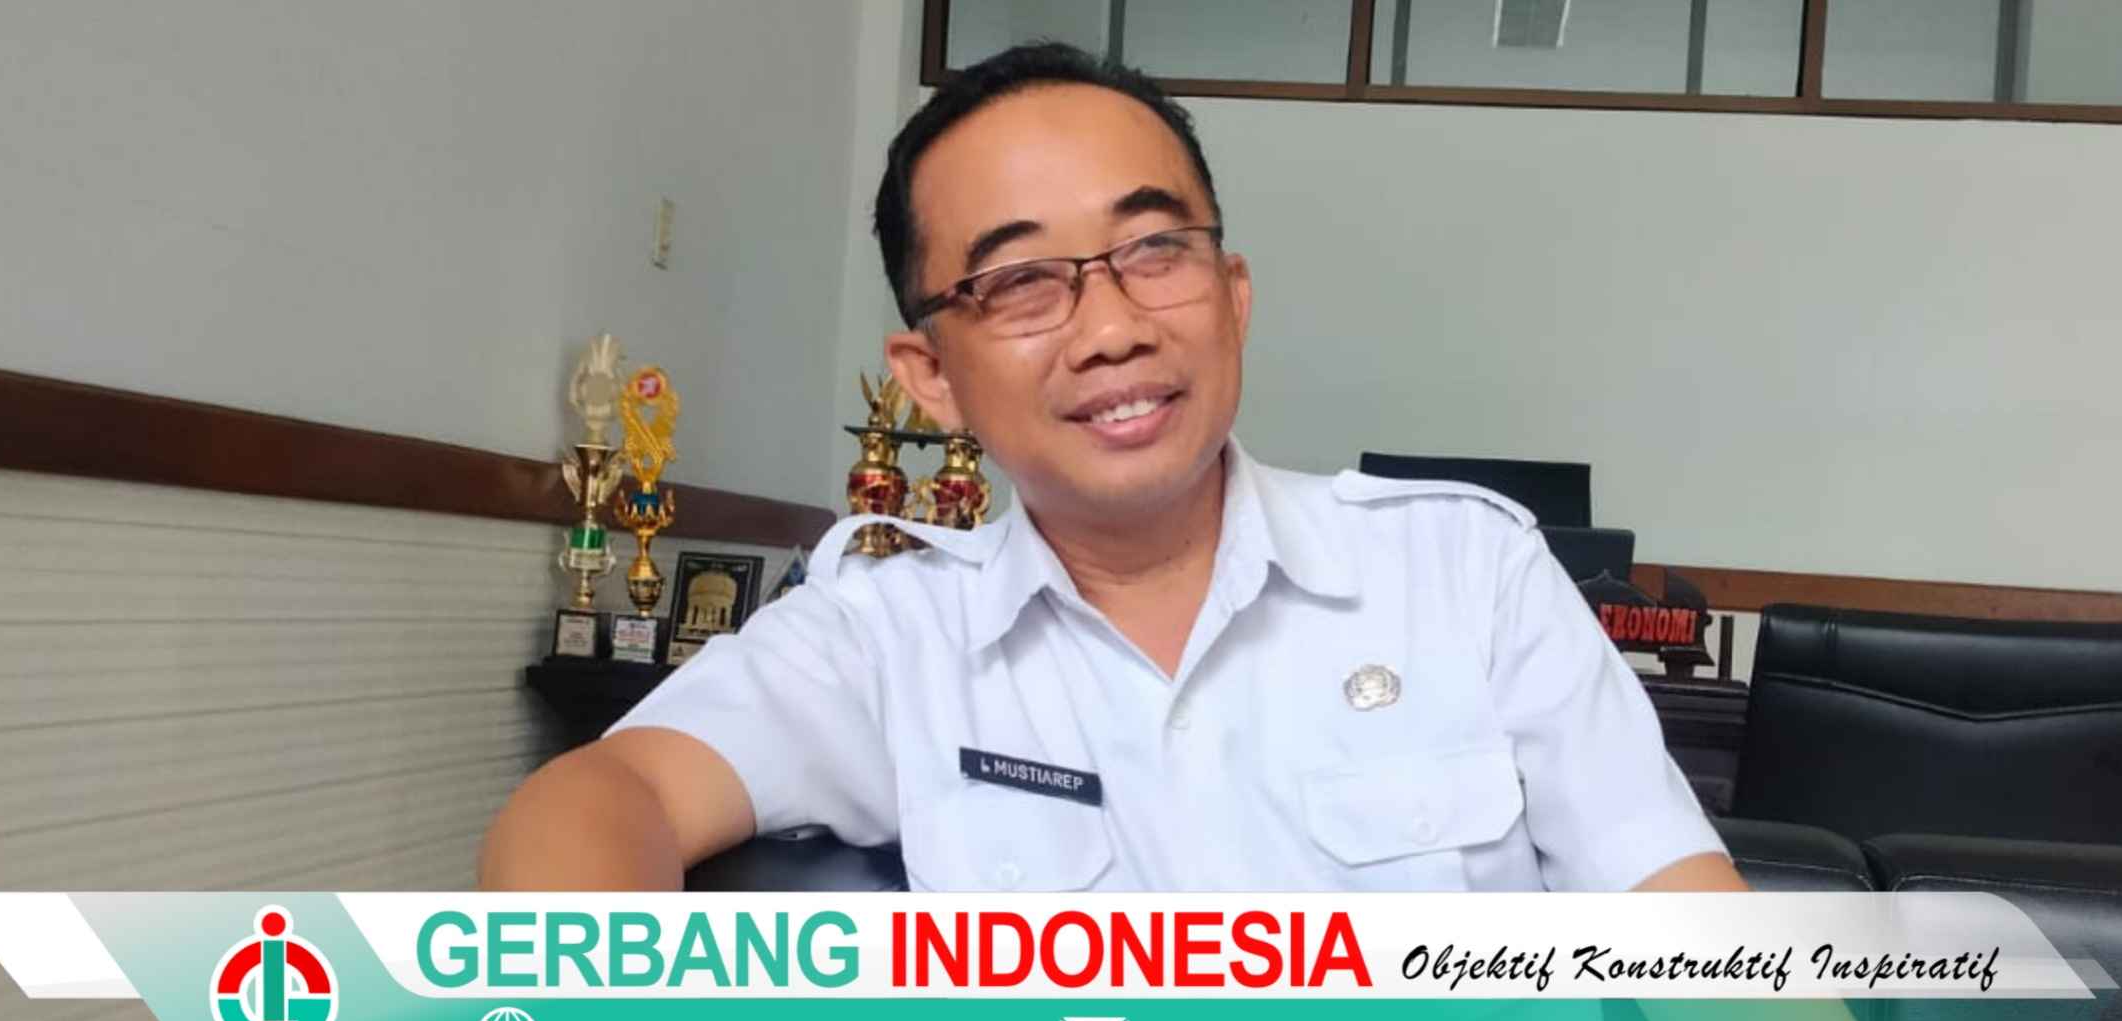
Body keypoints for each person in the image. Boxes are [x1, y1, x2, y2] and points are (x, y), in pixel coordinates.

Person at [480, 43, 1744, 894]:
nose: (1111, 328)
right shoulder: (887, 631)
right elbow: (603, 798)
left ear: (1232, 294)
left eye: (1153, 250)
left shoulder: (1464, 571)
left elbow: (1698, 944)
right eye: (1021, 281)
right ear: (930, 376)